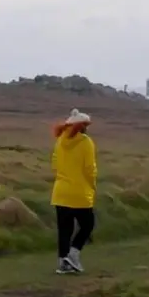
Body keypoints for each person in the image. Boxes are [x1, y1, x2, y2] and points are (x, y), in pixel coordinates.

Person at [50, 108, 98, 274]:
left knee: (64, 229)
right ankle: (74, 253)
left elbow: (55, 164)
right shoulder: (86, 142)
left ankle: (63, 263)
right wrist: (92, 185)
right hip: (80, 192)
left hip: (60, 191)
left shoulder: (60, 140)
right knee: (88, 224)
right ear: (83, 126)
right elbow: (89, 169)